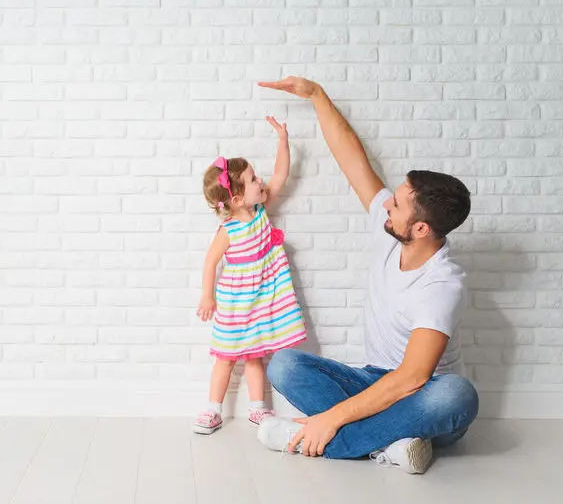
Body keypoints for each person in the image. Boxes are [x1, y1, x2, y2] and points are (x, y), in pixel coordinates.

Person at [254, 77, 479, 474]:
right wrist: (316, 96)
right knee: (285, 365)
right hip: (374, 381)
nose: (386, 203)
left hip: (423, 393)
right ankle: (392, 445)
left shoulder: (442, 284)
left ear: (422, 228)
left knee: (458, 396)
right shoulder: (392, 230)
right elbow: (354, 162)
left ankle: (305, 438)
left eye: (397, 204)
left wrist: (331, 417)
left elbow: (412, 378)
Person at [192, 116, 308, 435]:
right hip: (235, 301)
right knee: (227, 357)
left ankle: (258, 407)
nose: (262, 182)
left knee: (256, 355)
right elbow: (210, 262)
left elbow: (282, 174)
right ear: (239, 198)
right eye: (254, 179)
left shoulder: (260, 211)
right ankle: (213, 409)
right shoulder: (228, 231)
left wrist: (283, 140)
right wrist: (207, 295)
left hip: (261, 297)